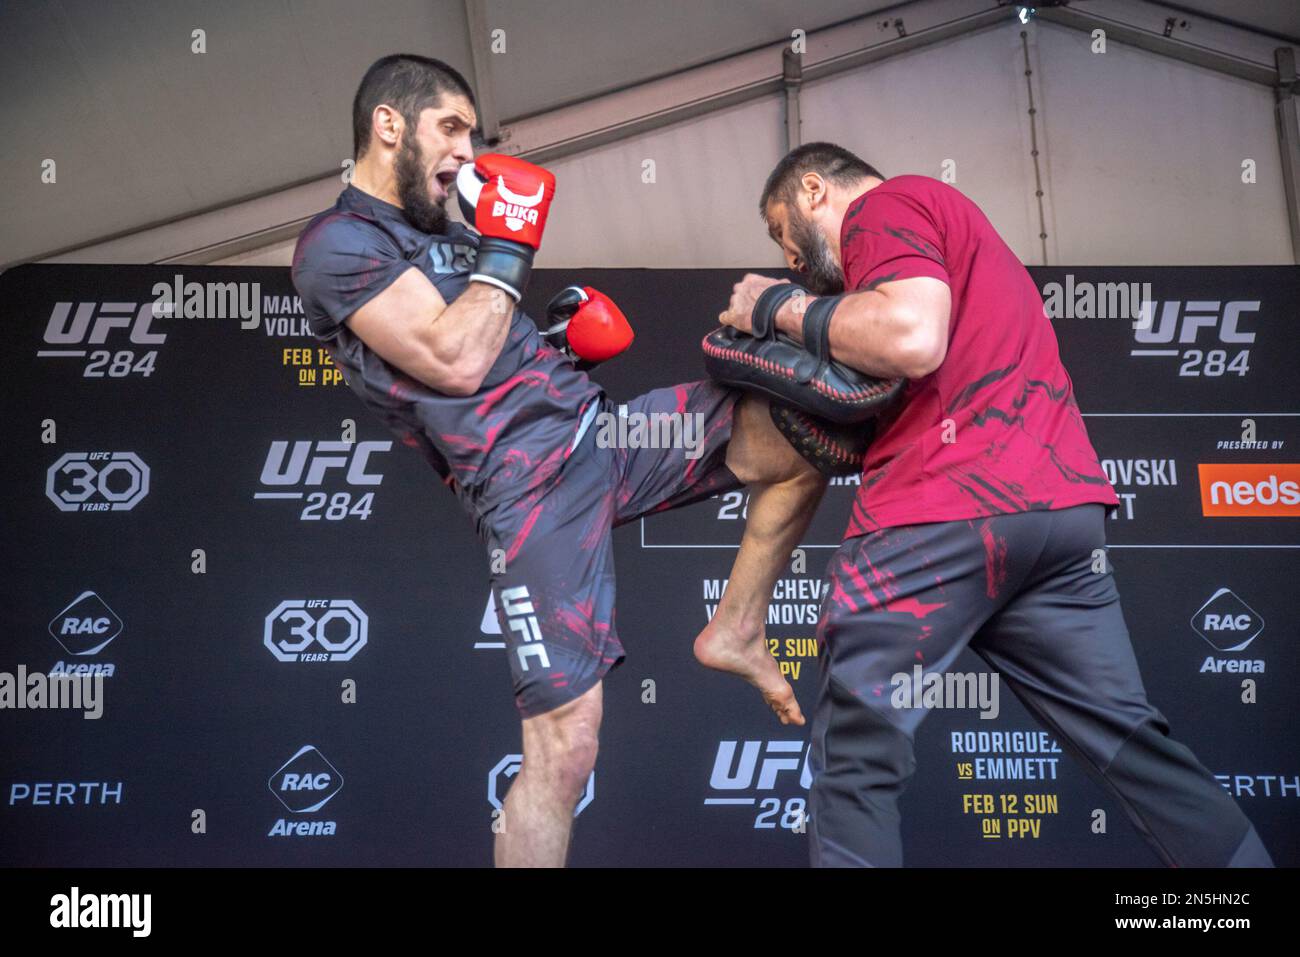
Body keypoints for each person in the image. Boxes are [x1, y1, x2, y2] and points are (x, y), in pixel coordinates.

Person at [291, 55, 824, 867]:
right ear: (387, 125)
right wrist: (508, 249)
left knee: (804, 422)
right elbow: (454, 360)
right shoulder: (336, 245)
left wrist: (555, 342)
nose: (468, 154)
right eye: (451, 128)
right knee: (566, 746)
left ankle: (738, 626)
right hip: (527, 486)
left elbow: (491, 342)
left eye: (473, 135)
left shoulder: (454, 230)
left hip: (599, 434)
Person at [714, 141, 1274, 868]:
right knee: (1135, 745)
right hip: (1058, 520)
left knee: (855, 760)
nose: (787, 253)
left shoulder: (885, 206)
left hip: (943, 512)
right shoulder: (956, 239)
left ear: (814, 189)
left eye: (778, 229)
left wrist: (776, 305)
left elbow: (913, 336)